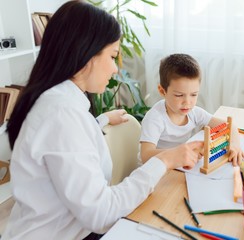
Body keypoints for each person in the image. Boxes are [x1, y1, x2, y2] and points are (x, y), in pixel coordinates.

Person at [3, 1, 202, 240]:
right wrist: (166, 159)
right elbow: (102, 214)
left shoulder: (59, 102)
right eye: (112, 56)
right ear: (86, 54)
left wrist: (102, 120)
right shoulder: (61, 115)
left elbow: (67, 145)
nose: (115, 69)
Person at [139, 53, 244, 165]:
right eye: (179, 95)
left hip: (178, 166)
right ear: (162, 91)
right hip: (154, 169)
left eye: (194, 95)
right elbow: (145, 155)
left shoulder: (194, 113)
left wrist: (235, 144)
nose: (187, 102)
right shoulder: (155, 118)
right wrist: (180, 153)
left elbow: (230, 126)